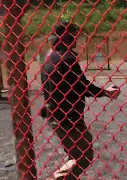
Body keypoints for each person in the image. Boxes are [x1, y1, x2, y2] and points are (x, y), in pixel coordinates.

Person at [40, 20, 120, 180]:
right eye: (73, 35)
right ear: (66, 37)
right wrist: (105, 92)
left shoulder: (49, 56)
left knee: (74, 154)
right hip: (68, 118)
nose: (76, 39)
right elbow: (82, 86)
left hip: (55, 115)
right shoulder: (67, 58)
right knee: (84, 155)